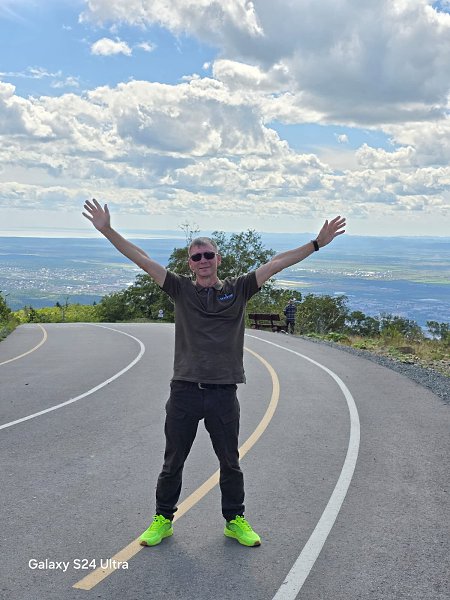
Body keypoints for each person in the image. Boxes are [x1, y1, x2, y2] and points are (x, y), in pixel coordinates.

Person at [82, 198, 346, 547]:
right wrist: (107, 230)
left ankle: (234, 521)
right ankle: (162, 520)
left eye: (208, 255)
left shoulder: (239, 289)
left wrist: (316, 244)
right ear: (190, 264)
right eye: (196, 257)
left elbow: (276, 263)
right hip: (185, 390)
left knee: (230, 461)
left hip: (223, 391)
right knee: (173, 461)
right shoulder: (180, 289)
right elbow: (142, 259)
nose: (203, 260)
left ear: (218, 259)